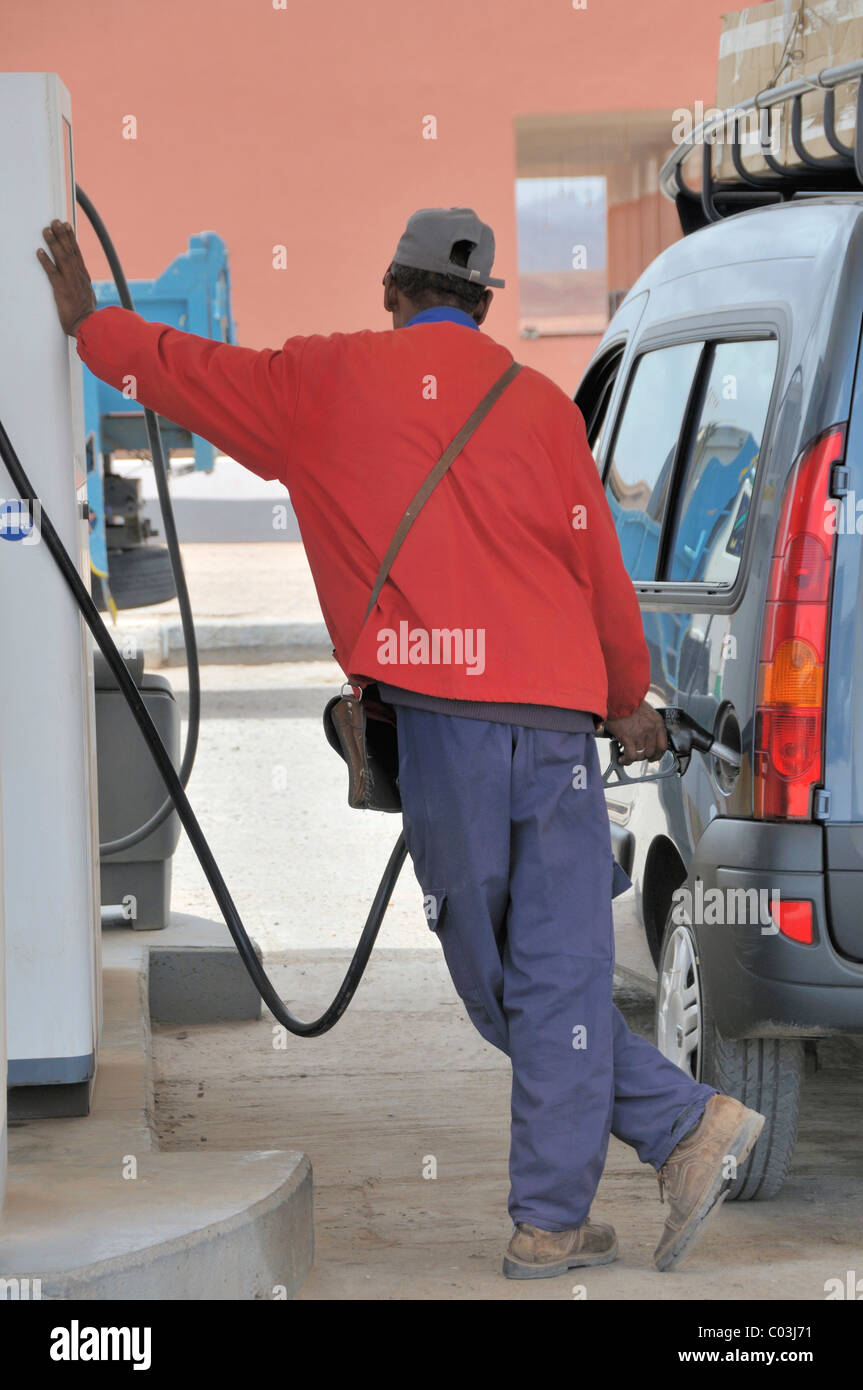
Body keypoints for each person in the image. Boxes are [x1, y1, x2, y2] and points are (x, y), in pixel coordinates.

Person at [38, 207, 764, 1279]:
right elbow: (600, 577)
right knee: (551, 980)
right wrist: (624, 699)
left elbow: (184, 372)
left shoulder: (323, 384)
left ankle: (559, 1214)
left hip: (443, 734)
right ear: (482, 305)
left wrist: (89, 327)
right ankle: (678, 1134)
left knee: (502, 987)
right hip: (560, 734)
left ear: (391, 288)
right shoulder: (539, 408)